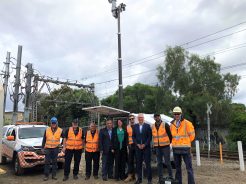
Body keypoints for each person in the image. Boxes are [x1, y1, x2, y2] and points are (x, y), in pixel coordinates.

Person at [170, 107, 195, 184]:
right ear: (173, 115)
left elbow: (192, 136)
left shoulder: (187, 123)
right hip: (175, 149)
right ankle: (178, 182)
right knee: (177, 169)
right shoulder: (171, 124)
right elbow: (171, 136)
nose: (176, 115)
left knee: (189, 169)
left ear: (181, 114)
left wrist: (185, 142)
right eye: (175, 114)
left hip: (185, 149)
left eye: (178, 114)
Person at [152, 113, 173, 183]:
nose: (157, 118)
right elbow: (153, 137)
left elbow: (170, 135)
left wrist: (168, 143)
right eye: (155, 117)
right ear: (154, 118)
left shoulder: (165, 125)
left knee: (167, 162)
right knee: (159, 163)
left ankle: (171, 177)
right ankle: (160, 179)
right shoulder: (152, 126)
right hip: (157, 148)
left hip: (165, 147)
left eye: (158, 116)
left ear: (160, 117)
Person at [132, 113, 152, 184]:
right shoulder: (135, 126)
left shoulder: (147, 126)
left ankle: (149, 180)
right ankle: (139, 179)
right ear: (138, 118)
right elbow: (133, 137)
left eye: (142, 117)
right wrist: (137, 144)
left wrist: (145, 144)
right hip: (138, 148)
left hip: (146, 148)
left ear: (143, 118)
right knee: (138, 164)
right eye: (139, 117)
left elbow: (150, 137)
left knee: (147, 164)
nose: (141, 119)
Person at [42, 117, 63, 181]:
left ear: (56, 123)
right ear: (50, 123)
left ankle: (54, 175)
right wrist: (42, 148)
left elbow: (64, 138)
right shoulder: (47, 130)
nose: (53, 124)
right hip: (48, 148)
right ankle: (46, 176)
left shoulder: (60, 130)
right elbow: (44, 139)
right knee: (47, 163)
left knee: (54, 163)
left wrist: (62, 145)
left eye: (54, 123)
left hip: (55, 148)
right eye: (52, 123)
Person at [125, 114, 136, 182]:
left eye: (132, 119)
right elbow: (126, 138)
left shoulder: (137, 126)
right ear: (129, 120)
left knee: (137, 161)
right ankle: (130, 176)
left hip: (137, 146)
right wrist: (127, 145)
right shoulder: (127, 127)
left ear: (134, 119)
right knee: (130, 161)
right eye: (130, 119)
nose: (131, 120)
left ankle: (136, 176)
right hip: (130, 146)